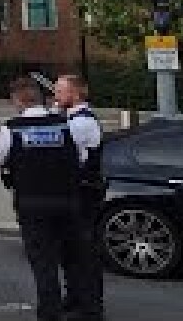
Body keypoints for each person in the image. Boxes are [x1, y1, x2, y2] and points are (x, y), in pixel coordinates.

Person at [0, 77, 95, 321]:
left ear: (17, 100)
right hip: (67, 201)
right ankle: (86, 308)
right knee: (75, 258)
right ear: (41, 99)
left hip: (32, 204)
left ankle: (50, 313)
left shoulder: (11, 128)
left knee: (43, 263)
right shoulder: (66, 125)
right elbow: (81, 157)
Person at [54, 75, 105, 321]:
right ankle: (74, 297)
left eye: (60, 91)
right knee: (70, 251)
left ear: (74, 94)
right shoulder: (72, 118)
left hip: (83, 194)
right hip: (74, 192)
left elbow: (59, 147)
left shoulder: (81, 122)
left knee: (83, 252)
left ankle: (89, 306)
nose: (55, 95)